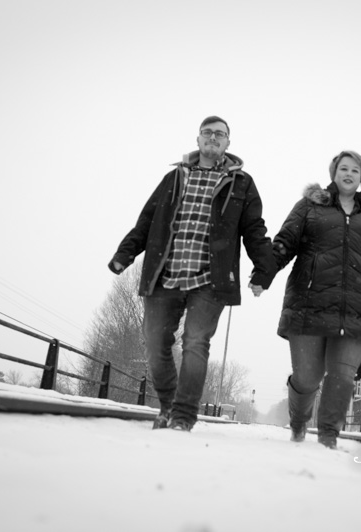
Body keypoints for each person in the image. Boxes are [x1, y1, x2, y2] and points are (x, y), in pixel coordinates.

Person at [108, 116, 275, 432]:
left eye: (220, 134)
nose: (214, 138)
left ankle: (183, 416)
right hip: (165, 273)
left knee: (196, 343)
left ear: (228, 143)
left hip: (211, 279)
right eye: (208, 133)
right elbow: (147, 220)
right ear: (198, 140)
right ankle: (168, 406)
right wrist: (124, 253)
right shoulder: (174, 177)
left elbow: (254, 228)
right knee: (155, 342)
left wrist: (263, 270)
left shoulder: (241, 183)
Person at [272, 150, 361, 449]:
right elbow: (285, 243)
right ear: (333, 173)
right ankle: (299, 423)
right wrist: (263, 273)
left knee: (342, 375)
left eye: (355, 170)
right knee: (308, 378)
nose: (349, 173)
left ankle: (328, 436)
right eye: (343, 169)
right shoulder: (309, 207)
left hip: (357, 309)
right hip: (308, 306)